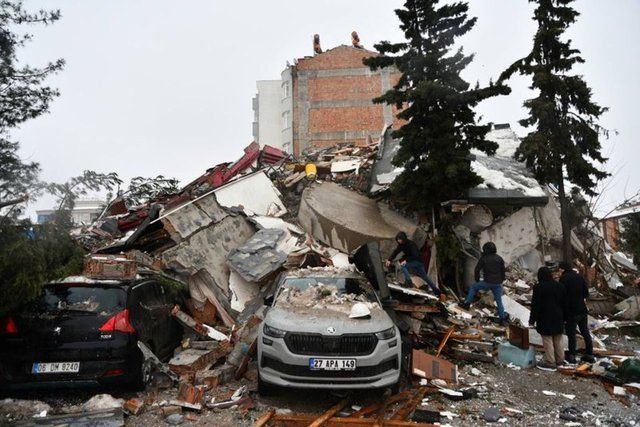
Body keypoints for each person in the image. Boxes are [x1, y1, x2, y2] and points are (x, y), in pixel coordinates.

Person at [459, 242, 506, 324]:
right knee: (499, 301)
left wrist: (477, 280)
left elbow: (477, 270)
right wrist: (500, 281)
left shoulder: (484, 258)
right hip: (498, 284)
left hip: (487, 282)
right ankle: (502, 319)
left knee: (473, 287)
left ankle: (467, 304)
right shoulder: (500, 258)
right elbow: (503, 272)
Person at [529, 267, 566, 371]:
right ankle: (560, 360)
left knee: (547, 340)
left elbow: (535, 305)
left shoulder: (539, 287)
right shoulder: (560, 286)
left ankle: (550, 362)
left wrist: (532, 320)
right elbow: (564, 303)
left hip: (545, 317)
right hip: (558, 316)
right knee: (558, 339)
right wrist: (565, 317)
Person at [385, 232, 442, 298]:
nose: (398, 241)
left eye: (400, 239)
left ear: (403, 239)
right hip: (414, 261)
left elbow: (415, 255)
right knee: (424, 276)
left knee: (403, 266)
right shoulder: (401, 245)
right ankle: (437, 292)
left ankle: (409, 283)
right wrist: (389, 260)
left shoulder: (411, 244)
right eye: (397, 239)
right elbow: (395, 252)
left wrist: (406, 260)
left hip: (417, 261)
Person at [558, 261, 595, 363]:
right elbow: (586, 293)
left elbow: (561, 295)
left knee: (571, 333)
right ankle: (590, 354)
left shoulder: (564, 279)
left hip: (571, 311)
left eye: (559, 269)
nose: (559, 271)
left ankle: (572, 356)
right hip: (582, 309)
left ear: (563, 269)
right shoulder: (579, 277)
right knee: (585, 331)